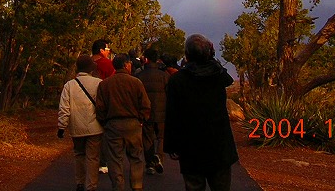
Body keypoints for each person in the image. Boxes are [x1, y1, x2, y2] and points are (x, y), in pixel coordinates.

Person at [164, 34, 238, 191]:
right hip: (219, 147)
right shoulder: (218, 76)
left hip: (190, 147)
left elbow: (172, 115)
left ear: (187, 55)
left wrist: (171, 145)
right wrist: (210, 55)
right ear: (210, 52)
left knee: (194, 186)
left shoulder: (177, 80)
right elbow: (227, 78)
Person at [95, 53, 151, 191]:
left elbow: (100, 108)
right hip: (133, 125)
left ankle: (118, 186)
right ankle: (137, 186)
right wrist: (141, 119)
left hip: (113, 125)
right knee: (136, 158)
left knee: (114, 159)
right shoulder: (136, 82)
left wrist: (105, 123)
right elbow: (146, 105)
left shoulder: (104, 84)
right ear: (127, 65)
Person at [58, 54, 105, 191]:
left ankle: (79, 182)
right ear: (91, 69)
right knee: (93, 157)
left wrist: (62, 126)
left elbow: (64, 107)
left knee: (79, 155)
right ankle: (91, 185)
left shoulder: (69, 85)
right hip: (95, 127)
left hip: (76, 128)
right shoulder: (99, 83)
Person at [136, 47, 169, 175]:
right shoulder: (165, 76)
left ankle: (149, 163)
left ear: (146, 59)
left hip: (146, 112)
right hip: (162, 112)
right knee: (161, 136)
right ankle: (159, 156)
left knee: (147, 137)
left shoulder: (139, 76)